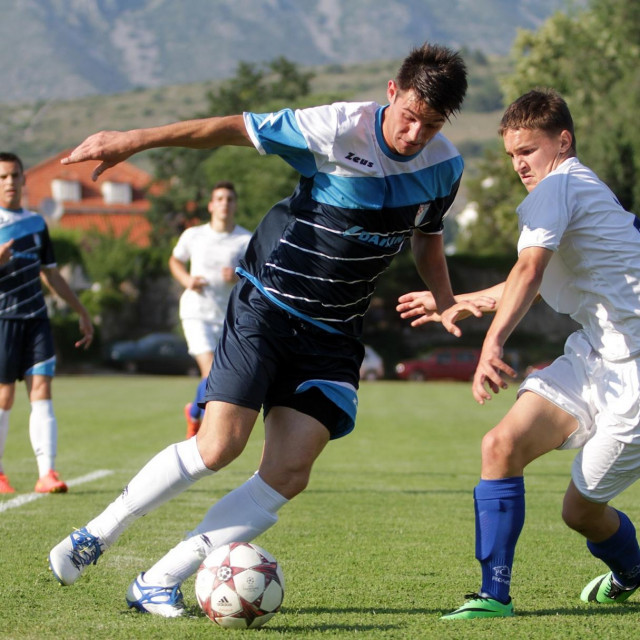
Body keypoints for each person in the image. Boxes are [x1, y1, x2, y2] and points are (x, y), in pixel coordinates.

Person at [48, 42, 473, 618]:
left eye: (431, 124)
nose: (415, 134)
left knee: (290, 471)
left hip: (335, 333)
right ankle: (97, 532)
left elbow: (428, 237)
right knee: (219, 445)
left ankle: (158, 579)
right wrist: (133, 140)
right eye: (409, 116)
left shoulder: (444, 165)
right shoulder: (335, 127)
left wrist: (446, 301)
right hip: (269, 304)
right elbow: (229, 128)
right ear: (392, 93)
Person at [398, 89, 640, 619]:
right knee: (501, 445)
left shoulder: (561, 185)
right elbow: (522, 276)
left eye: (528, 150)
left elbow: (529, 272)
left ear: (563, 141)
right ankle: (493, 596)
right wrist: (457, 303)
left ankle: (633, 569)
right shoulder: (572, 191)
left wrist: (491, 344)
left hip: (636, 376)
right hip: (596, 356)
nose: (519, 165)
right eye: (511, 155)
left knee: (580, 511)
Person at [0, 152, 94, 494]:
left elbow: (51, 275)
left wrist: (81, 310)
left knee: (42, 389)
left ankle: (47, 473)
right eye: (3, 177)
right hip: (3, 319)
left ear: (24, 180)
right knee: (4, 395)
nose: (10, 182)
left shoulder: (37, 224)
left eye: (15, 175)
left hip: (36, 319)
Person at [169, 181, 251, 438]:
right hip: (196, 312)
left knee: (219, 375)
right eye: (220, 198)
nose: (225, 203)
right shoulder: (194, 235)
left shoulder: (246, 239)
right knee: (211, 372)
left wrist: (239, 277)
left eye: (229, 199)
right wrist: (186, 280)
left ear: (235, 205)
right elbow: (175, 260)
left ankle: (193, 412)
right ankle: (207, 434)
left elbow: (256, 277)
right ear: (211, 205)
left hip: (227, 317)